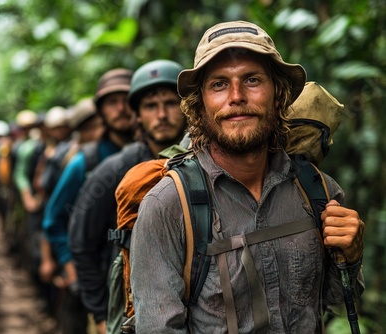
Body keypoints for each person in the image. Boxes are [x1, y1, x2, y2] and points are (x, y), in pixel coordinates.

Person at [129, 20, 365, 333]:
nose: (237, 96)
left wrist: (350, 255)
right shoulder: (168, 206)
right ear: (200, 107)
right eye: (219, 84)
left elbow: (333, 298)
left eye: (252, 80)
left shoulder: (316, 190)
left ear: (278, 95)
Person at [68, 59, 188, 333]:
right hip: (122, 315)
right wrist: (100, 315)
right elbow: (81, 242)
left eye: (170, 103)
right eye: (150, 106)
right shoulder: (114, 171)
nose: (161, 114)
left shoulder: (205, 163)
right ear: (138, 115)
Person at [42, 68, 136, 334]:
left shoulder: (155, 156)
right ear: (101, 111)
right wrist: (70, 265)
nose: (121, 109)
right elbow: (53, 220)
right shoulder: (85, 161)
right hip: (97, 285)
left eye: (127, 99)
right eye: (111, 102)